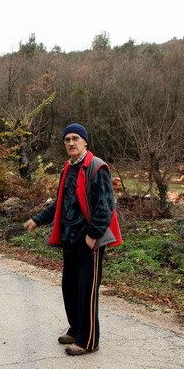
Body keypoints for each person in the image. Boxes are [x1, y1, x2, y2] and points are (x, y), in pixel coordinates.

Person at [24, 123, 122, 356]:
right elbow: (59, 205)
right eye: (67, 139)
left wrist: (93, 234)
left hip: (89, 241)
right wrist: (37, 220)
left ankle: (89, 341)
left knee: (87, 290)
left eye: (75, 138)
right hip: (70, 240)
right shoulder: (68, 168)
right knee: (71, 288)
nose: (70, 142)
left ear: (85, 142)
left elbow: (106, 205)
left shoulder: (97, 168)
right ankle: (77, 329)